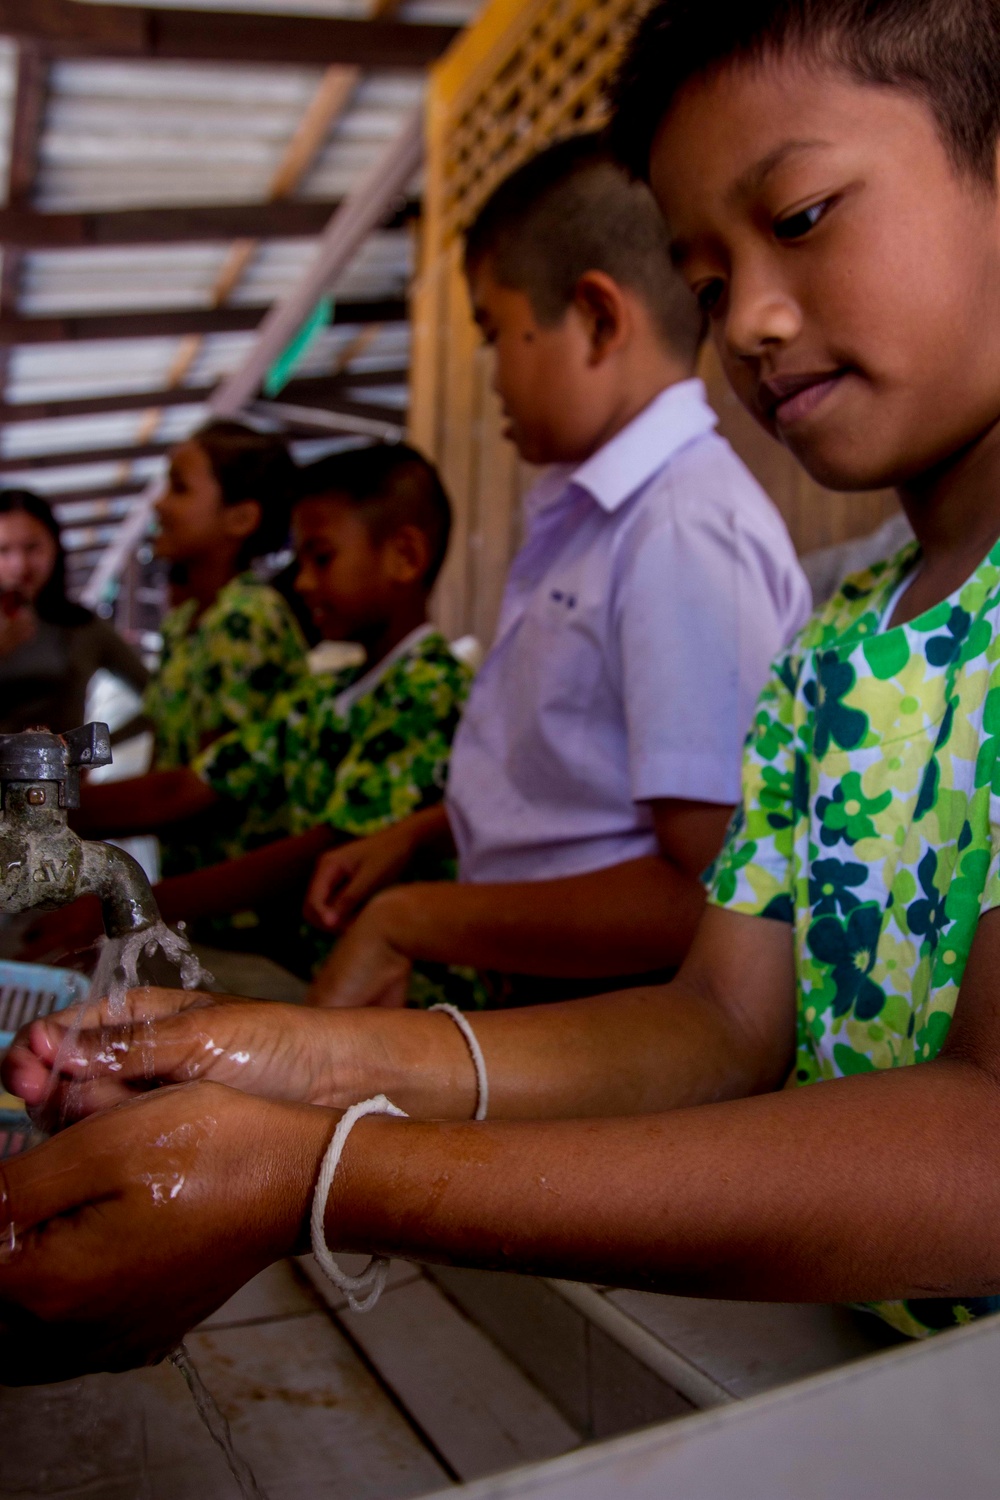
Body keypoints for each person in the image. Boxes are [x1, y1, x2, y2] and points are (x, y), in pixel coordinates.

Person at [6, 0, 1000, 1380]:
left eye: (808, 214)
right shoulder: (839, 646)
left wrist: (325, 1169)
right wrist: (307, 1061)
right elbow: (720, 1021)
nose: (752, 324)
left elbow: (982, 1146)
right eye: (710, 283)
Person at [302, 133, 809, 1010]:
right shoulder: (594, 513)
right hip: (554, 989)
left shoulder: (681, 529)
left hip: (631, 1014)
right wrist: (428, 834)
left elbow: (711, 898)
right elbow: (588, 789)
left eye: (495, 333)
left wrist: (416, 917)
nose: (491, 374)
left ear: (599, 319)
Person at [25, 445, 471, 974]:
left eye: (321, 558)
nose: (301, 583)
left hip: (392, 988)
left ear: (406, 557)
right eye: (299, 561)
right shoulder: (326, 695)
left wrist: (130, 902)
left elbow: (322, 853)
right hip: (313, 966)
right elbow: (195, 782)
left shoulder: (428, 687)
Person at [76, 422, 308, 888]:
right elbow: (165, 760)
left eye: (179, 487)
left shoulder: (248, 620)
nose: (159, 503)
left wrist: (45, 811)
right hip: (192, 890)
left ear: (240, 519)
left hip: (243, 910)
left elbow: (191, 791)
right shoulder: (188, 624)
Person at [0, 489, 147, 735]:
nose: (20, 564)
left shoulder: (82, 626)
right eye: (4, 550)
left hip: (60, 771)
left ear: (55, 545)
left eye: (32, 547)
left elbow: (157, 697)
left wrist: (94, 751)